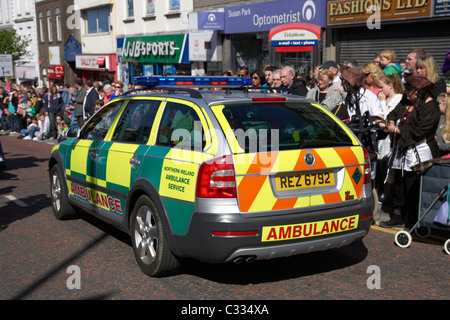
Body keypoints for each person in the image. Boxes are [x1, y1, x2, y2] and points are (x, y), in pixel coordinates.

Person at [378, 73, 441, 228]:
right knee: (399, 184)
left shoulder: (431, 107)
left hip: (420, 152)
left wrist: (396, 129)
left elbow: (419, 131)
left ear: (419, 92)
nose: (407, 94)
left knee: (412, 187)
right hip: (402, 150)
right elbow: (394, 112)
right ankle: (398, 216)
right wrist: (390, 121)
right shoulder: (406, 101)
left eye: (410, 91)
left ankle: (412, 220)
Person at [375, 74, 404, 218]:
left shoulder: (398, 98)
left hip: (391, 139)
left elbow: (387, 117)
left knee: (389, 170)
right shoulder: (384, 98)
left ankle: (388, 197)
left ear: (390, 85)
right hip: (382, 138)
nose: (380, 90)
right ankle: (383, 195)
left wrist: (381, 102)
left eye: (382, 87)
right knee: (382, 167)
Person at [435, 93, 450, 157]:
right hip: (438, 156)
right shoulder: (440, 118)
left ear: (446, 104)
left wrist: (439, 146)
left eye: (438, 102)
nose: (436, 104)